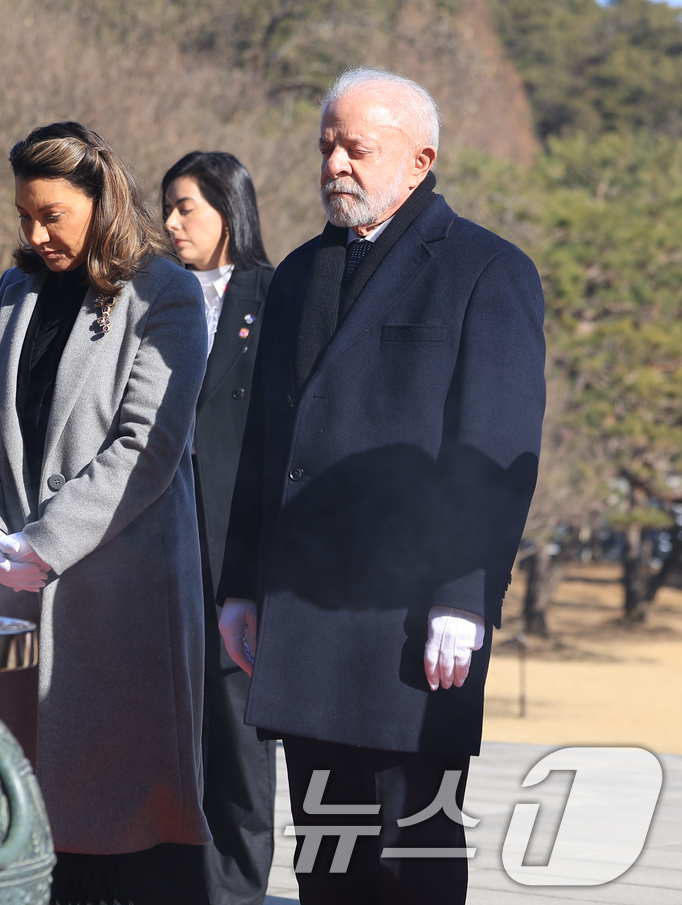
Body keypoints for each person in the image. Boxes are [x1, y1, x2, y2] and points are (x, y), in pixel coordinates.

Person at [218, 68, 546, 904]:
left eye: (356, 148)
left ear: (419, 158)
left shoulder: (485, 270)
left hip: (410, 630)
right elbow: (265, 447)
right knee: (329, 866)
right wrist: (242, 587)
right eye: (326, 145)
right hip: (304, 621)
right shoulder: (294, 274)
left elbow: (492, 449)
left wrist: (463, 597)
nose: (335, 164)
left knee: (411, 865)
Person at [0, 121, 211, 905]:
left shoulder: (164, 290)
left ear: (101, 200)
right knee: (18, 825)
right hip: (17, 604)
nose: (37, 233)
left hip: (119, 600)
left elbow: (147, 447)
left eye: (54, 215)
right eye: (26, 215)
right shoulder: (15, 288)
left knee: (119, 832)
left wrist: (45, 544)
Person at [161, 152, 277, 905]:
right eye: (165, 208)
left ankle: (236, 888)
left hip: (236, 550)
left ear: (229, 212)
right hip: (157, 546)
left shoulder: (275, 295)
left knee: (237, 738)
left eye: (185, 208)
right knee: (169, 731)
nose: (169, 223)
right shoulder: (152, 298)